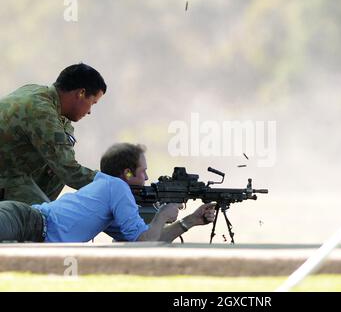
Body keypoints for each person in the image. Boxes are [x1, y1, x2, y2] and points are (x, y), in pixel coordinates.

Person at [0, 143, 215, 243]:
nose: (147, 178)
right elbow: (144, 242)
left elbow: (146, 240)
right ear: (127, 172)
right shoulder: (118, 187)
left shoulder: (112, 192)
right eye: (143, 172)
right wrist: (162, 216)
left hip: (30, 228)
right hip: (25, 220)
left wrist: (189, 221)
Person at [0, 63, 107, 204]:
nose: (89, 111)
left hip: (11, 172)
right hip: (7, 178)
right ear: (81, 93)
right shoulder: (41, 111)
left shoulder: (38, 94)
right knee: (45, 220)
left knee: (54, 172)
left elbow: (63, 146)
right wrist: (112, 184)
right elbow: (69, 170)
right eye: (92, 102)